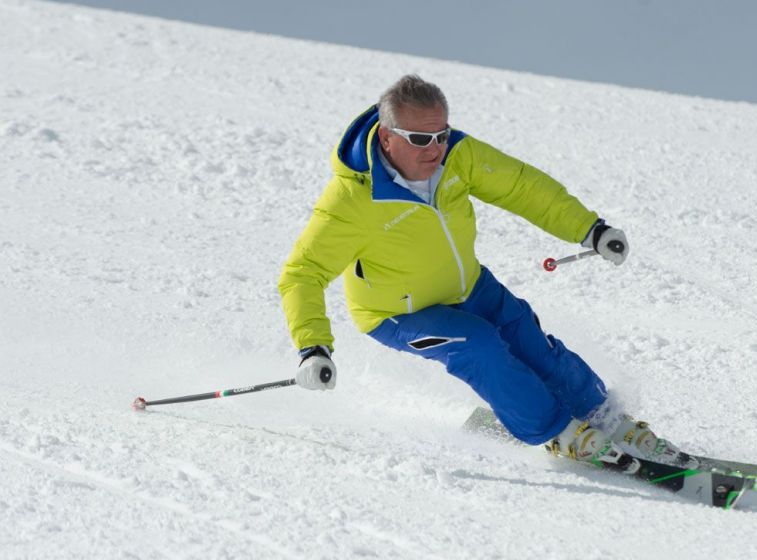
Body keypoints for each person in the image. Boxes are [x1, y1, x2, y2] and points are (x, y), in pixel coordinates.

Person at [279, 75, 689, 467]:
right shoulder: (352, 198)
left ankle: (605, 419)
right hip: (397, 313)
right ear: (387, 138)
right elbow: (303, 272)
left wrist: (589, 230)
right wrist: (313, 348)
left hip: (469, 286)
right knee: (478, 345)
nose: (435, 148)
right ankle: (557, 432)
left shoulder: (459, 156)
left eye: (441, 134)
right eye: (421, 139)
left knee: (528, 339)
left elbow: (522, 187)